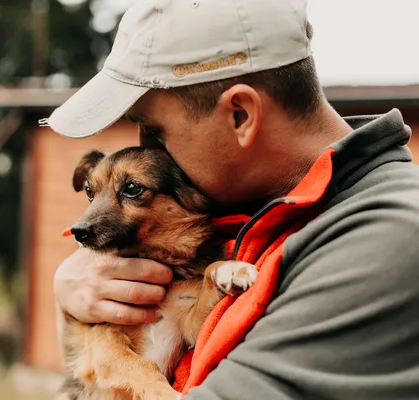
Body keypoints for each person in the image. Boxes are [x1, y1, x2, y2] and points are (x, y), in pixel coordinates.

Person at [41, 0, 419, 398]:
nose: (150, 152)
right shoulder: (256, 206)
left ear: (240, 116)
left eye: (156, 132)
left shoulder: (382, 239)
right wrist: (75, 311)